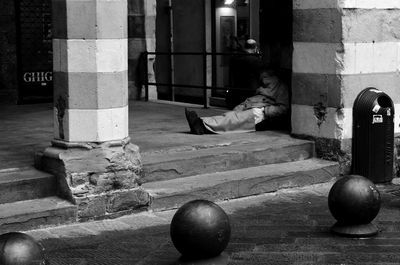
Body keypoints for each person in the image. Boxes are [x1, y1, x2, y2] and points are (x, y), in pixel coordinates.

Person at [185, 68, 289, 135]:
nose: (264, 80)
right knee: (229, 117)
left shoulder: (281, 88)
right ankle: (202, 124)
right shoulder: (266, 86)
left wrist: (265, 110)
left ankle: (201, 123)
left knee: (233, 119)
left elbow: (283, 108)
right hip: (253, 106)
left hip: (260, 111)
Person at [226, 39, 264, 109]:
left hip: (236, 90)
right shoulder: (255, 60)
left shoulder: (234, 58)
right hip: (250, 91)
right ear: (255, 48)